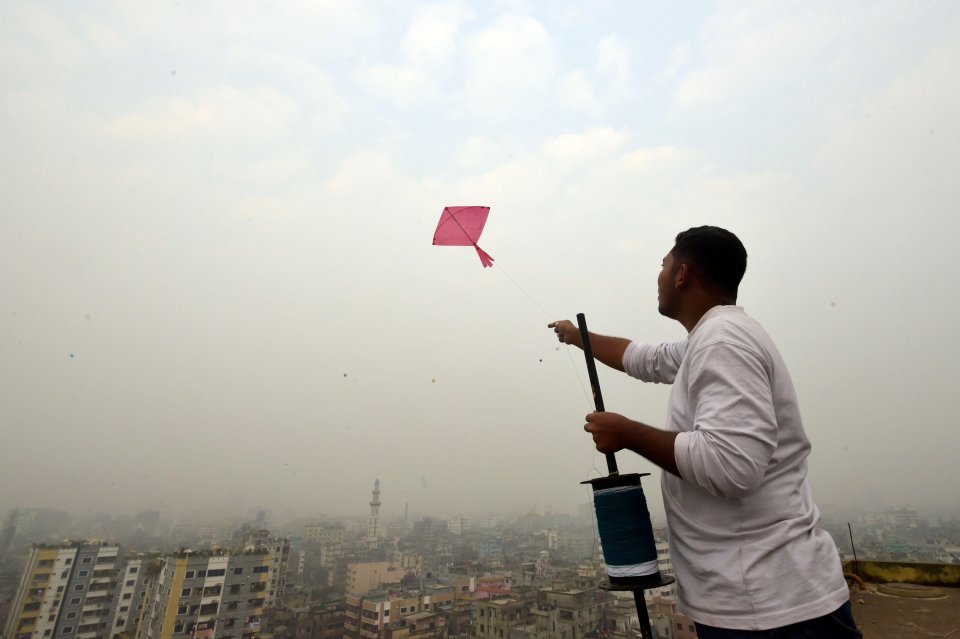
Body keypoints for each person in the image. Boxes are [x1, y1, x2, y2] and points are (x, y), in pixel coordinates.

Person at [549, 226, 860, 638]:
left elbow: (730, 465)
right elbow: (643, 358)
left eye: (663, 265)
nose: (658, 276)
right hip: (757, 600)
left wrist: (628, 433)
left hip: (771, 606)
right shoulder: (712, 338)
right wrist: (578, 337)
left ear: (682, 274)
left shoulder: (722, 341)